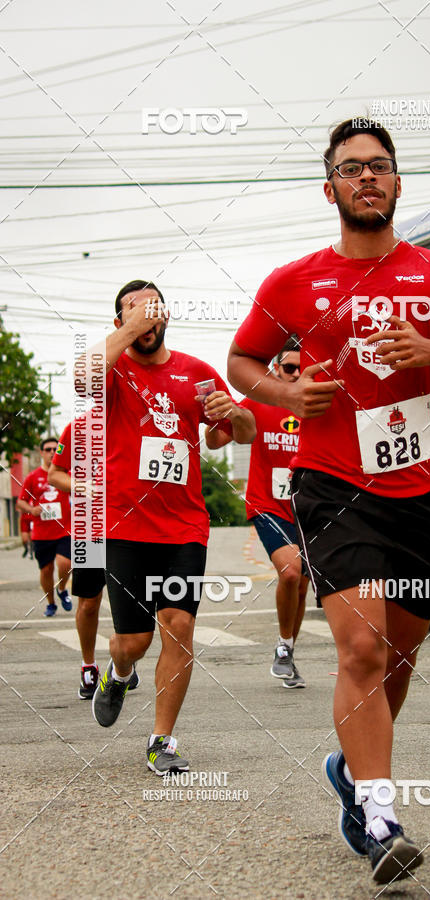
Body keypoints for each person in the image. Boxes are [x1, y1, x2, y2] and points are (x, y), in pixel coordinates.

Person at [227, 119, 430, 883]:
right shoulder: (293, 282)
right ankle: (381, 816)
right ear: (330, 188)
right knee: (363, 649)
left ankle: (350, 768)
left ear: (399, 183)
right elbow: (242, 360)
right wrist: (286, 391)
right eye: (351, 169)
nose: (366, 178)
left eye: (380, 167)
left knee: (401, 654)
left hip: (413, 491)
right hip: (331, 484)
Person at [75, 279, 255, 775]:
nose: (143, 316)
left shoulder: (195, 371)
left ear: (167, 315)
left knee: (179, 627)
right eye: (131, 311)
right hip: (125, 528)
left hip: (184, 528)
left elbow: (229, 437)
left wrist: (235, 414)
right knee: (133, 641)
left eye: (151, 307)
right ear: (120, 323)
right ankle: (119, 671)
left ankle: (162, 740)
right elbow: (80, 378)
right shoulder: (112, 370)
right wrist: (128, 328)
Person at [208, 335, 309, 689]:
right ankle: (283, 646)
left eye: (302, 367)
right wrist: (228, 413)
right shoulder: (258, 401)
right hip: (268, 506)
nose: (296, 374)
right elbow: (215, 440)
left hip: (310, 509)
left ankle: (288, 648)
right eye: (289, 368)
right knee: (291, 573)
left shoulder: (316, 403)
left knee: (302, 584)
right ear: (274, 369)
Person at [48, 420, 139, 701]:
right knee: (89, 603)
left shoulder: (136, 422)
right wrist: (80, 486)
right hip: (89, 530)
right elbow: (55, 475)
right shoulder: (78, 428)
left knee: (129, 600)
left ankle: (124, 661)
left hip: (131, 528)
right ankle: (89, 666)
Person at [17, 437, 72, 616]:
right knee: (46, 570)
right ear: (41, 453)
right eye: (47, 449)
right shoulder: (33, 477)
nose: (51, 452)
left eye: (55, 449)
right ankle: (51, 602)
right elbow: (20, 503)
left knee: (65, 563)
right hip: (41, 533)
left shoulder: (67, 474)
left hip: (64, 529)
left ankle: (62, 588)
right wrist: (32, 510)